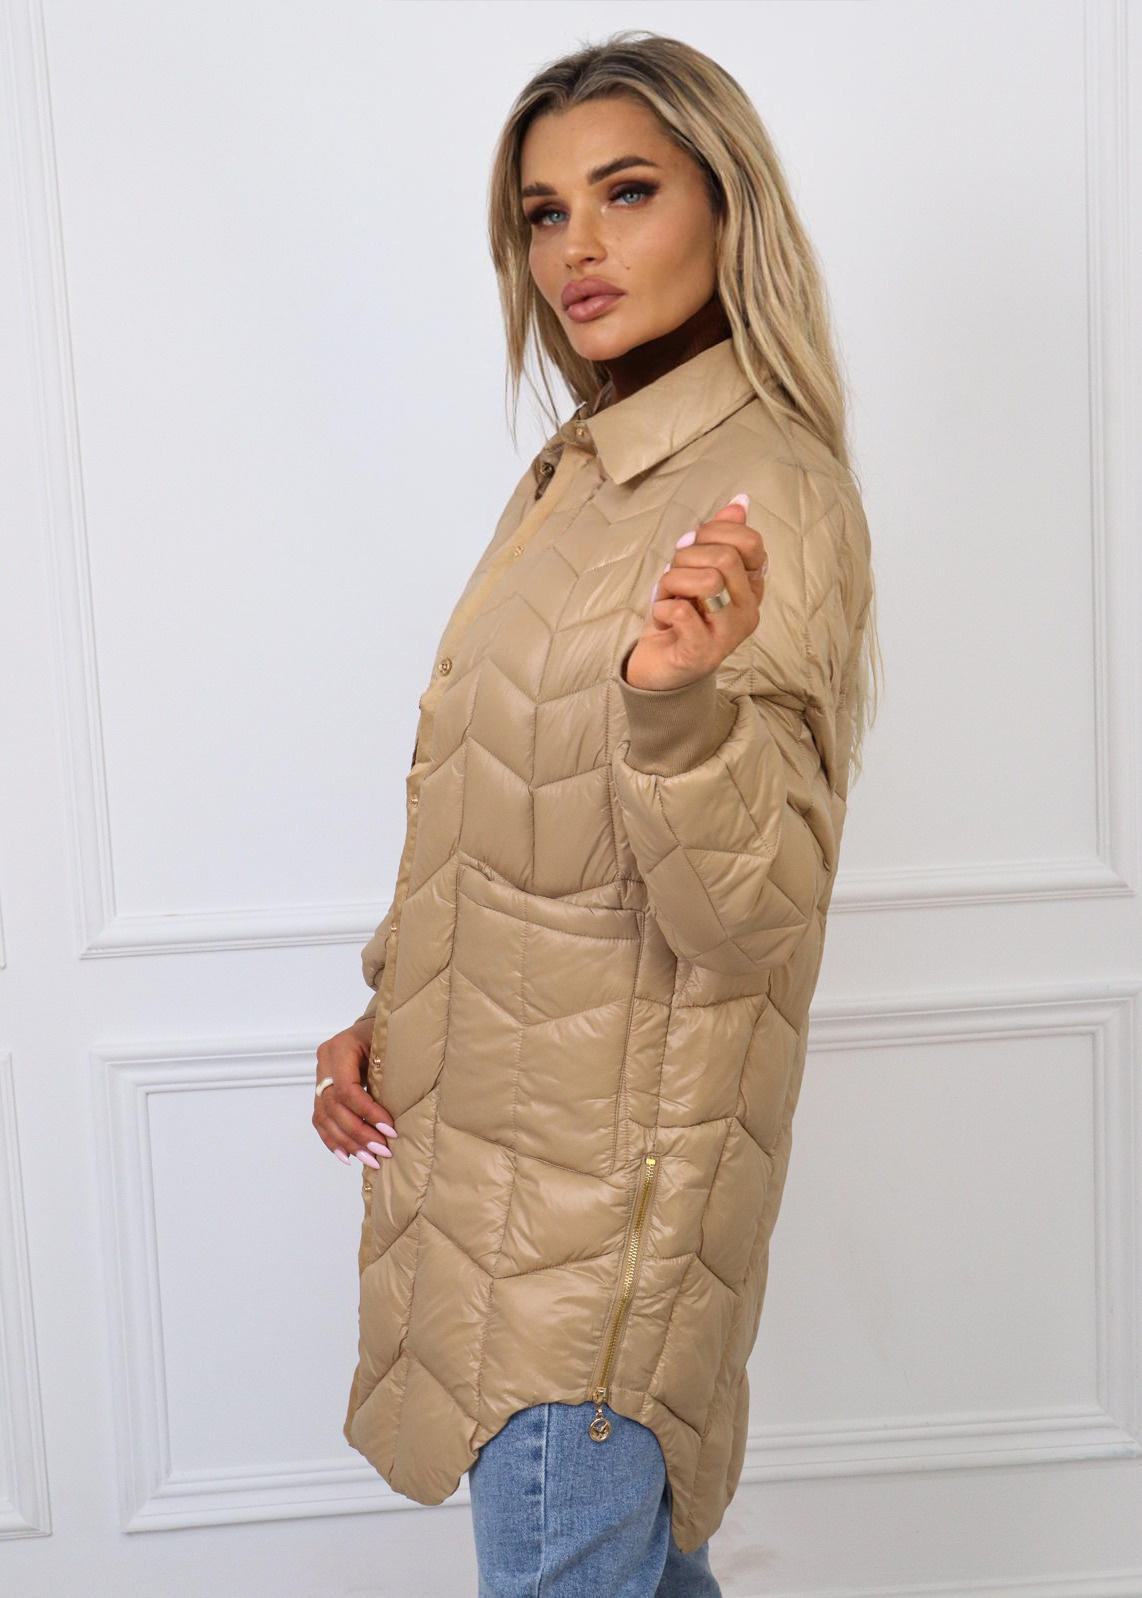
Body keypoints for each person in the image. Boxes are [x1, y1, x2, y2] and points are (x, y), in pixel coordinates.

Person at [312, 28, 881, 1598]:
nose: (577, 247)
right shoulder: (590, 471)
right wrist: (390, 1005)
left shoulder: (765, 496)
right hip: (503, 1176)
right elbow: (509, 807)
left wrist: (678, 709)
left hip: (598, 1234)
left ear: (727, 207)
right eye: (545, 213)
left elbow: (750, 910)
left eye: (626, 193)